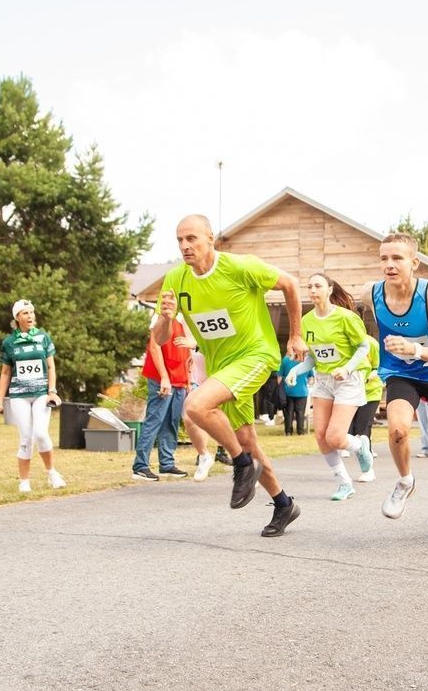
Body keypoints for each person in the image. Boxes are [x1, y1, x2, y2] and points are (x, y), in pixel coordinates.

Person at [154, 214, 307, 537]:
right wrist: (167, 319)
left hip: (255, 355)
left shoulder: (240, 267)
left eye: (192, 238)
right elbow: (160, 338)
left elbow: (289, 284)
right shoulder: (176, 280)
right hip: (222, 368)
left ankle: (241, 464)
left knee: (196, 406)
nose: (185, 246)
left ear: (211, 238)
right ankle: (283, 504)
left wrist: (295, 335)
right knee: (247, 440)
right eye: (180, 240)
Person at [360, 233, 428, 545]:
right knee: (397, 430)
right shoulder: (371, 293)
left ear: (414, 262)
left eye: (397, 258)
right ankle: (405, 480)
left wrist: (414, 349)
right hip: (401, 374)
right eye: (384, 258)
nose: (390, 264)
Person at [283, 274, 374, 501]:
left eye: (318, 286)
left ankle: (359, 446)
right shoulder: (306, 322)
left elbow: (363, 347)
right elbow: (312, 358)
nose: (313, 290)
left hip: (348, 380)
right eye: (309, 286)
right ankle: (344, 483)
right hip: (323, 380)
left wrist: (347, 368)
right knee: (321, 436)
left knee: (335, 437)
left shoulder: (346, 317)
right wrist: (295, 371)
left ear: (330, 289)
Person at [0, 299, 66, 493]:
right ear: (17, 318)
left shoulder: (43, 337)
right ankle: (24, 482)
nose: (30, 316)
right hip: (19, 396)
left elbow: (51, 367)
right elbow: (5, 373)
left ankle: (52, 473)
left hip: (41, 394)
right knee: (26, 438)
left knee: (40, 433)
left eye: (32, 312)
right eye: (25, 313)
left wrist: (52, 391)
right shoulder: (9, 343)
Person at [131, 312, 191, 481]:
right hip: (162, 378)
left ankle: (166, 463)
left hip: (179, 377)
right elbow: (154, 347)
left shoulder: (185, 318)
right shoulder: (160, 317)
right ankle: (140, 466)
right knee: (154, 420)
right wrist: (164, 377)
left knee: (171, 422)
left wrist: (187, 379)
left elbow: (186, 352)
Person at [348, 334, 382, 483]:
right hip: (350, 392)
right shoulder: (343, 342)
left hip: (370, 392)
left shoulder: (371, 343)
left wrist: (367, 377)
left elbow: (379, 367)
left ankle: (368, 470)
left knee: (363, 428)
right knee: (350, 432)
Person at [182, 346, 214, 481]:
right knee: (190, 417)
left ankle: (246, 465)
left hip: (222, 382)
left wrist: (196, 346)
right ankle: (204, 456)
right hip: (198, 383)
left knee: (238, 428)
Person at [278, 353, 311, 435]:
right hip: (302, 391)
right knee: (300, 413)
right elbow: (311, 377)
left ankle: (288, 431)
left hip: (288, 390)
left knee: (288, 413)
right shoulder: (306, 360)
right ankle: (300, 431)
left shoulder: (285, 360)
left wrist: (280, 389)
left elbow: (279, 377)